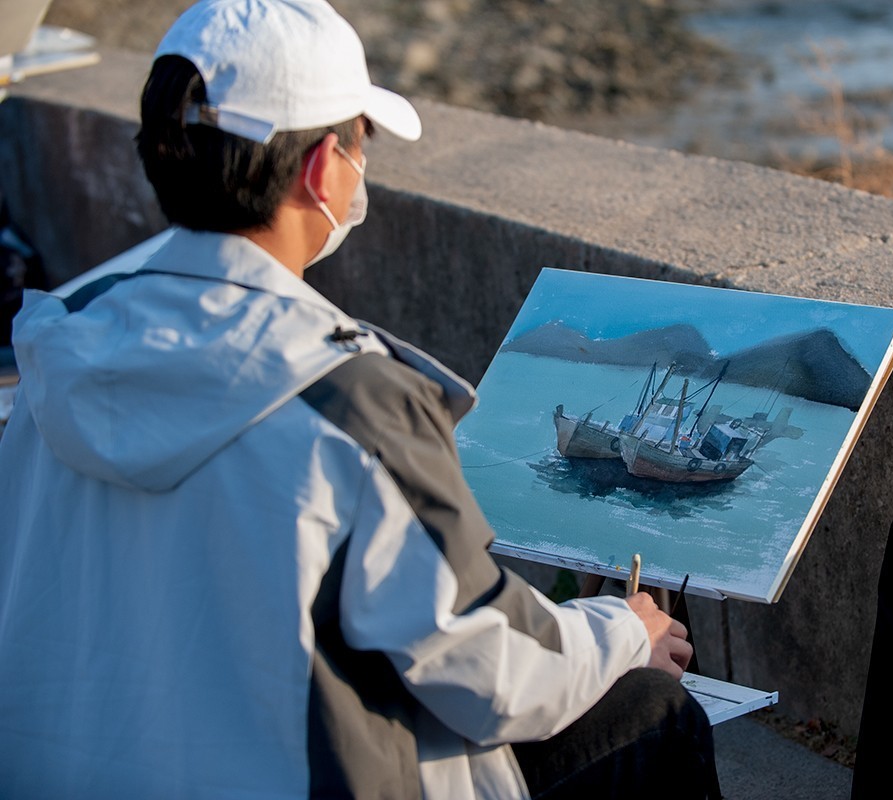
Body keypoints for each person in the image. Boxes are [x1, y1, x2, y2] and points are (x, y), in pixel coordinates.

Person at [0, 1, 720, 797]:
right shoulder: (346, 400)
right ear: (319, 170)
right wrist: (625, 631)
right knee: (656, 711)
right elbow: (489, 666)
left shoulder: (59, 344)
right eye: (359, 146)